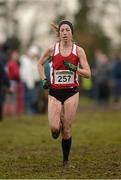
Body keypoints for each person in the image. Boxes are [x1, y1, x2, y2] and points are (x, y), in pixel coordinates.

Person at [38, 20, 91, 167]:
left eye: (67, 30)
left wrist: (75, 68)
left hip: (71, 92)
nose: (65, 33)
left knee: (66, 129)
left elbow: (88, 74)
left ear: (72, 33)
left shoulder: (78, 51)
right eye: (62, 30)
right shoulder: (52, 49)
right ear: (59, 33)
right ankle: (57, 124)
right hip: (54, 92)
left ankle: (66, 161)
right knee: (55, 129)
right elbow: (39, 63)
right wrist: (43, 79)